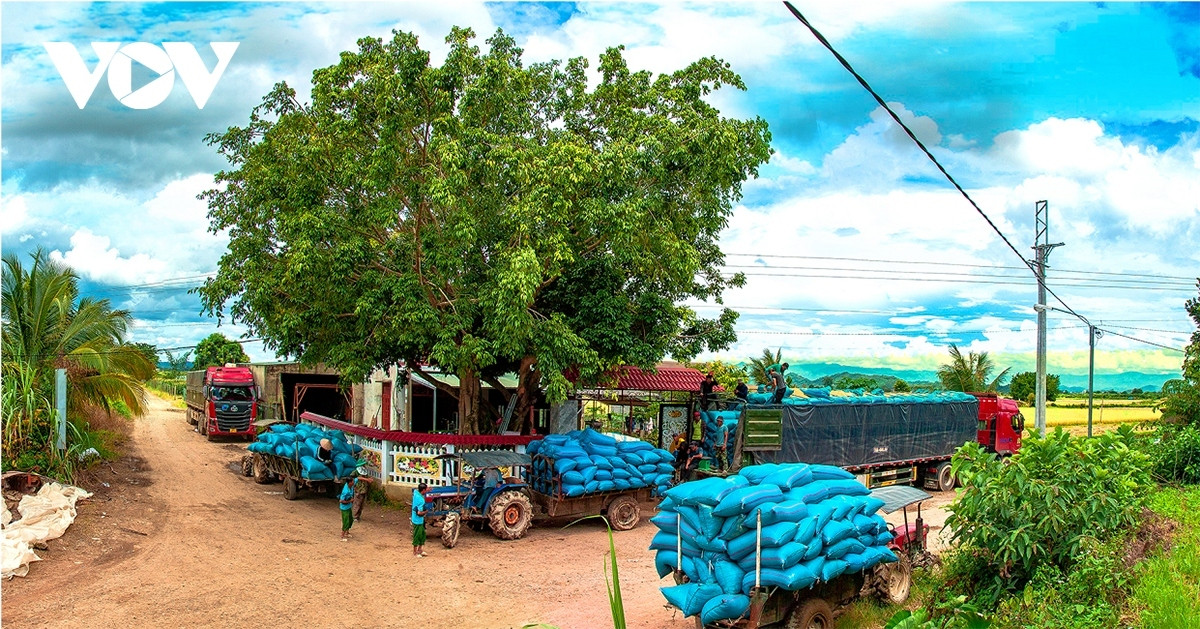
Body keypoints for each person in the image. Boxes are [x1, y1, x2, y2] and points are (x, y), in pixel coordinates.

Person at [411, 482, 429, 557]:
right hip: (418, 520)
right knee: (417, 535)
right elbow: (419, 513)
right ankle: (415, 552)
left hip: (418, 520)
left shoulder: (415, 493)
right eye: (426, 489)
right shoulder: (421, 500)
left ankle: (420, 550)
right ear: (423, 490)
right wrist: (426, 511)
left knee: (423, 534)